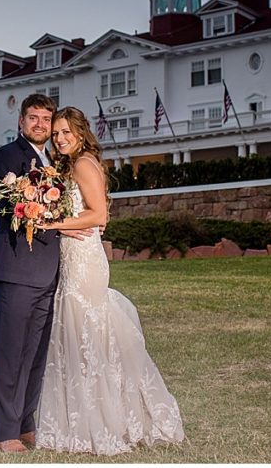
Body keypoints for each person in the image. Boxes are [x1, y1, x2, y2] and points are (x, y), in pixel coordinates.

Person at [34, 106, 185, 455]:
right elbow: (84, 212)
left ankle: (104, 419)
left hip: (86, 260)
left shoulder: (84, 163)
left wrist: (53, 224)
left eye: (66, 132)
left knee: (87, 333)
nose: (59, 138)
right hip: (73, 256)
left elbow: (98, 214)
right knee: (78, 335)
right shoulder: (67, 166)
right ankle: (85, 415)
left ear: (81, 133)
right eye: (56, 134)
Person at [0, 93, 92, 453]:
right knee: (11, 353)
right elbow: (12, 206)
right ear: (21, 121)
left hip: (50, 275)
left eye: (46, 120)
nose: (40, 125)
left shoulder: (59, 164)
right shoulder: (4, 158)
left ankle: (26, 424)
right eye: (33, 118)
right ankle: (5, 433)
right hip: (16, 272)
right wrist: (62, 225)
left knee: (35, 355)